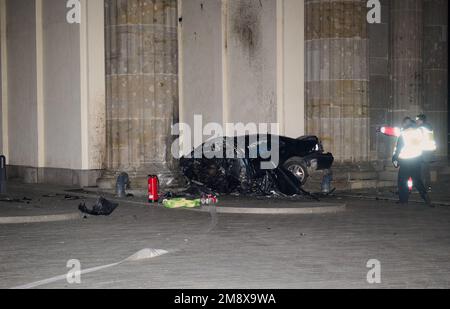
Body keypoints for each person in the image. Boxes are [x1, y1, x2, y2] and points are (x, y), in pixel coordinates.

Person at [392, 117, 432, 207]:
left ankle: (403, 200)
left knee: (402, 181)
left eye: (403, 123)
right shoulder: (418, 132)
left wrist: (394, 158)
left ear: (405, 124)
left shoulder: (404, 134)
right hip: (416, 160)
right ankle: (426, 197)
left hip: (406, 160)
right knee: (417, 180)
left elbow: (399, 148)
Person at [416, 114, 437, 191]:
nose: (416, 121)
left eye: (417, 120)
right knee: (426, 171)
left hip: (423, 152)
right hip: (429, 153)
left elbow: (416, 141)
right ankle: (428, 187)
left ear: (421, 120)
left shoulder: (421, 129)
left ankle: (422, 188)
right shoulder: (429, 128)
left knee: (421, 171)